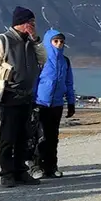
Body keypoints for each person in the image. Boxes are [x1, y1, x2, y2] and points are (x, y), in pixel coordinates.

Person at [0, 7, 47, 188]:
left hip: (27, 96)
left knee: (24, 137)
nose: (34, 26)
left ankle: (20, 171)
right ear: (21, 23)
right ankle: (6, 173)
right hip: (9, 96)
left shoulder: (31, 42)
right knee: (8, 137)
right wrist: (12, 74)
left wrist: (36, 41)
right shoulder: (2, 41)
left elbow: (43, 59)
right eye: (31, 23)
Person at [32, 29, 75, 179]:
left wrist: (71, 102)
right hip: (40, 103)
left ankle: (51, 166)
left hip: (56, 104)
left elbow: (69, 83)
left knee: (53, 137)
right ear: (48, 42)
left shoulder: (65, 61)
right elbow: (34, 82)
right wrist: (31, 102)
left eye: (61, 41)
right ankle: (37, 166)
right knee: (39, 136)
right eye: (55, 41)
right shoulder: (41, 60)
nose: (59, 44)